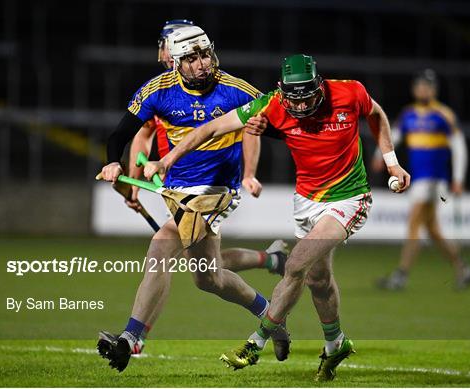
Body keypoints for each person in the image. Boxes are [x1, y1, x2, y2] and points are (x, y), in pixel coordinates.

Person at [143, 54, 411, 381]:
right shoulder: (272, 105)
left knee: (297, 264)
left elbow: (378, 115)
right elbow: (210, 128)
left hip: (349, 198)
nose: (299, 107)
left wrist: (392, 161)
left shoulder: (350, 92)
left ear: (320, 87)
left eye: (307, 98)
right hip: (306, 200)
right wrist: (167, 160)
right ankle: (336, 343)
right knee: (318, 281)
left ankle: (255, 343)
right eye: (292, 99)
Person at [97, 26, 290, 372]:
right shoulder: (158, 91)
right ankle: (270, 314)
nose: (202, 64)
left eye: (205, 55)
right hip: (179, 189)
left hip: (219, 192)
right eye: (191, 59)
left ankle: (129, 338)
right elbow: (121, 134)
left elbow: (277, 125)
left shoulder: (235, 90)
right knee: (208, 277)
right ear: (177, 64)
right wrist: (113, 162)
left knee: (161, 244)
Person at [373, 69, 470, 291]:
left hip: (434, 179)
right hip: (418, 177)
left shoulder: (443, 114)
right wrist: (379, 156)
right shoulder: (408, 114)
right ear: (414, 89)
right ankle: (463, 268)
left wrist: (458, 178)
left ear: (434, 90)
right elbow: (394, 136)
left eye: (427, 86)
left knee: (414, 222)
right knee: (432, 230)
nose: (423, 89)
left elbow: (459, 147)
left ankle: (401, 275)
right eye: (420, 85)